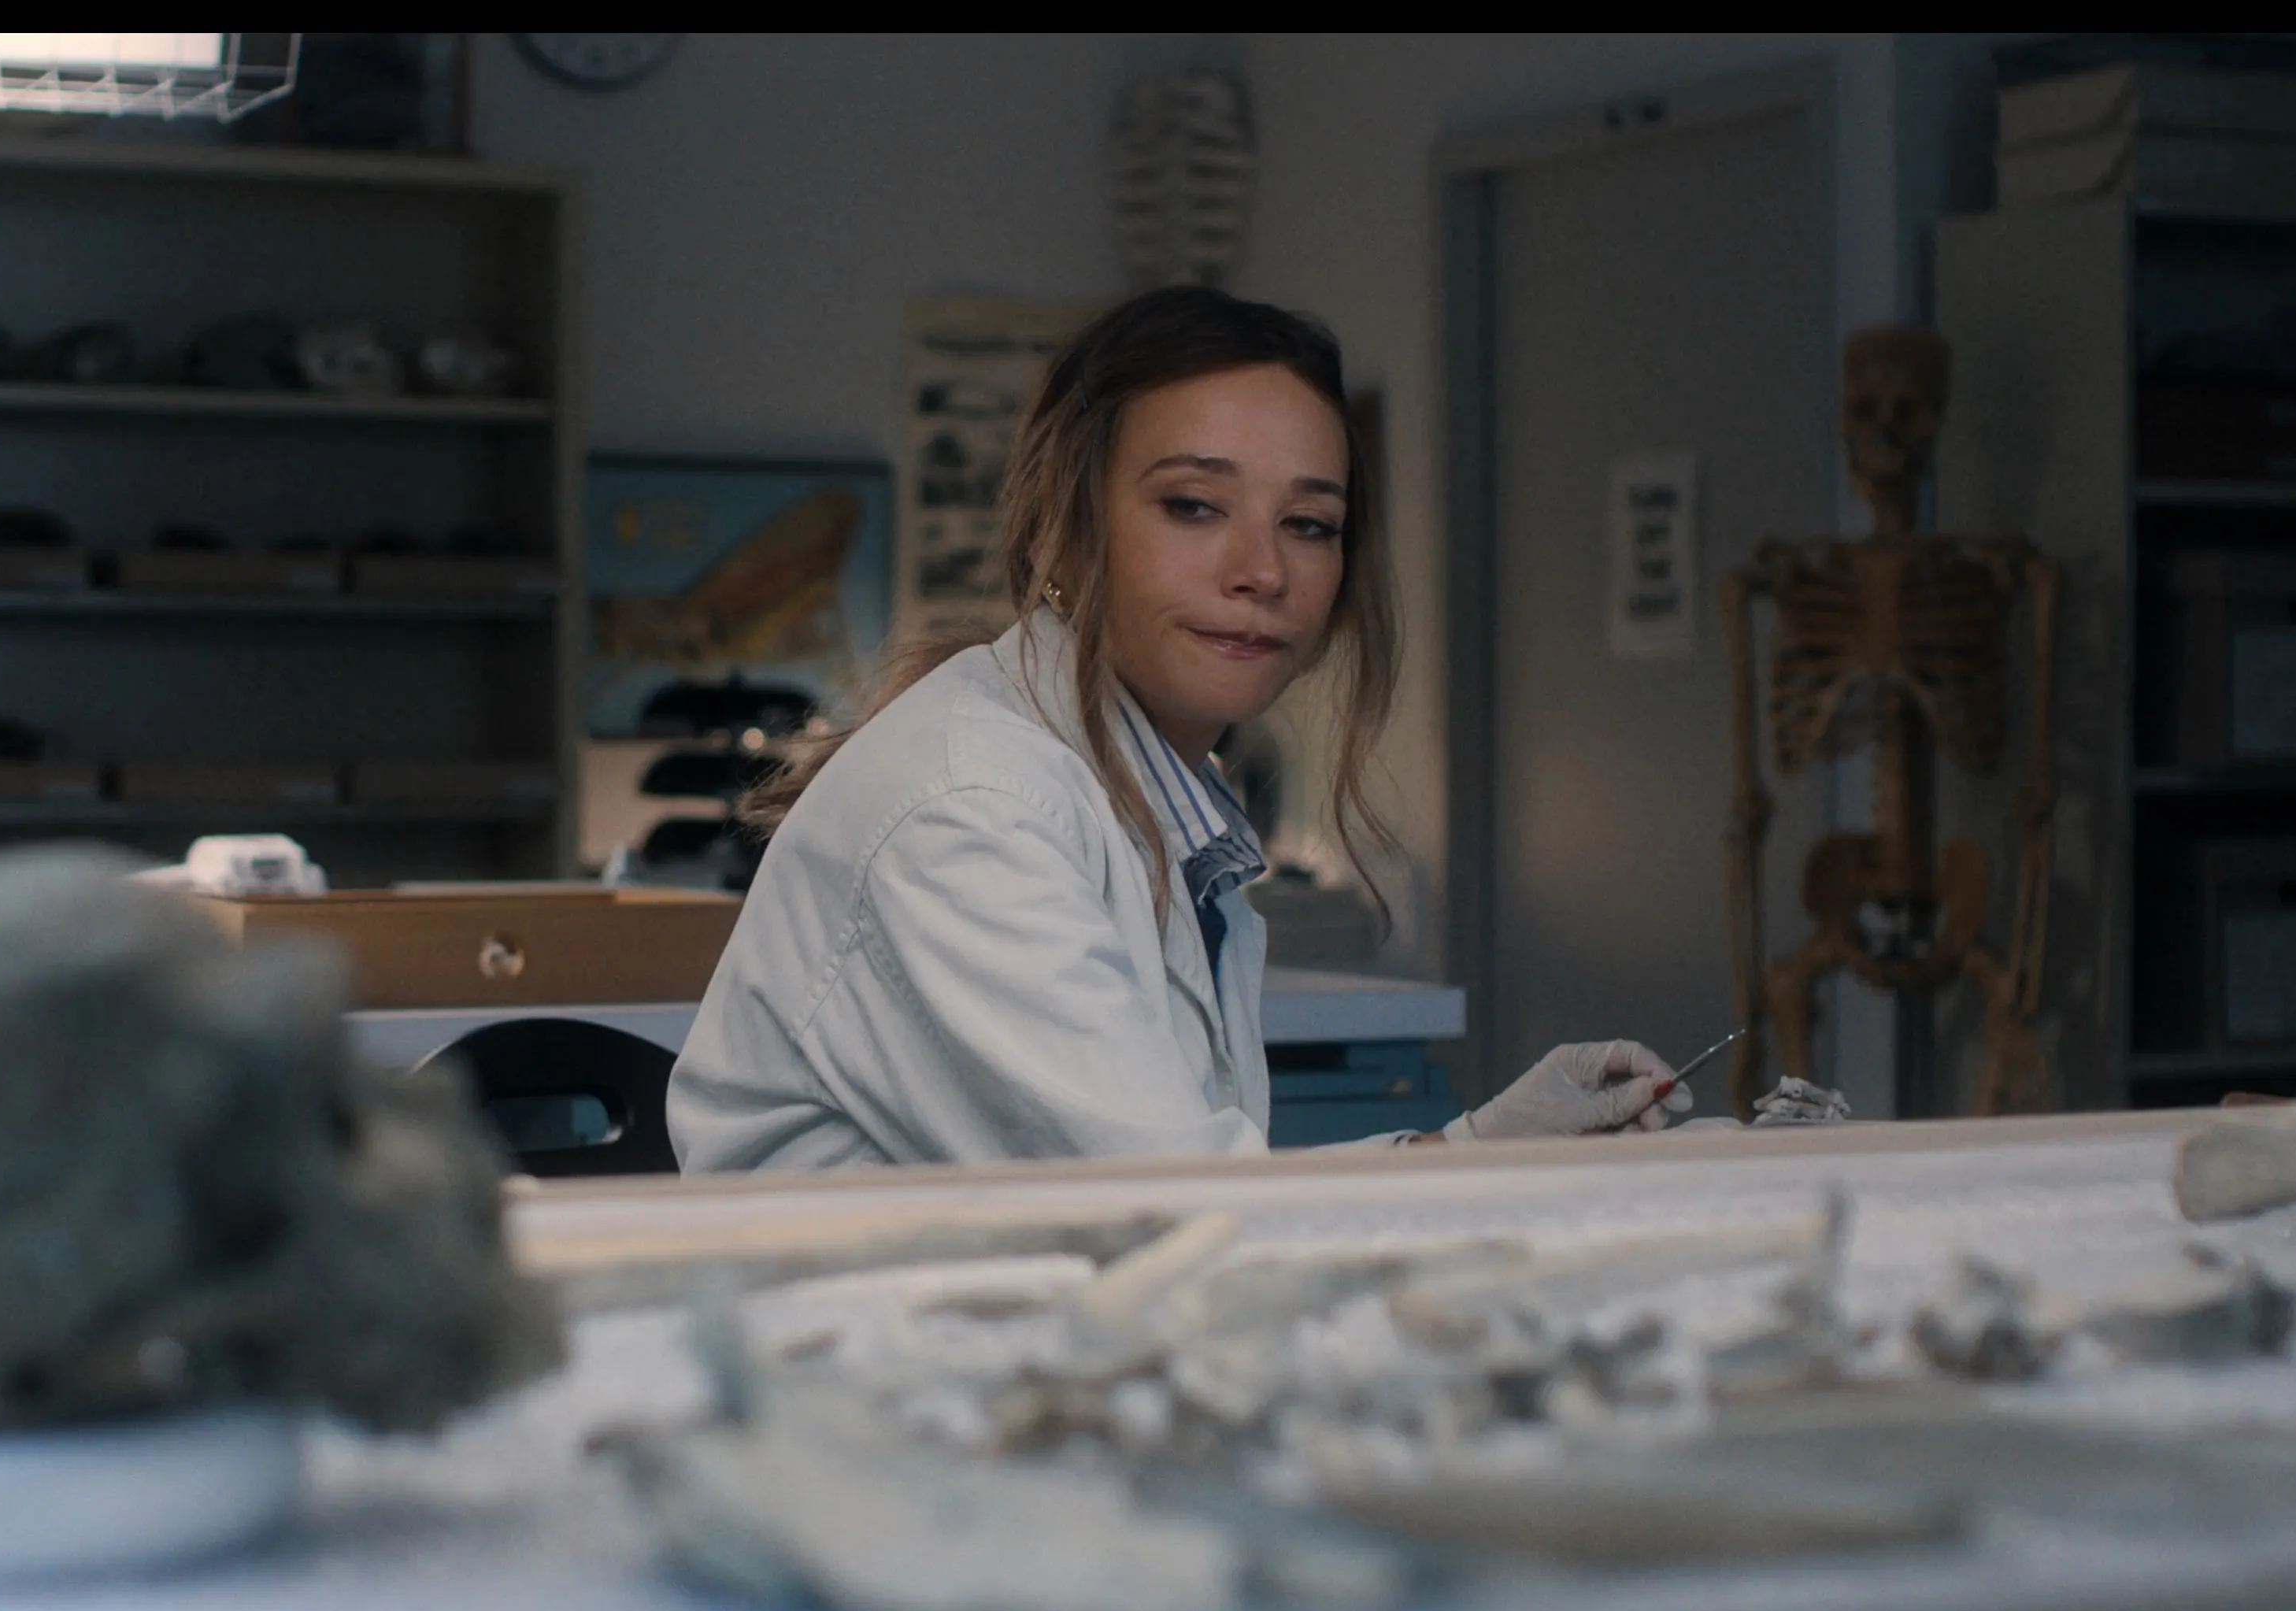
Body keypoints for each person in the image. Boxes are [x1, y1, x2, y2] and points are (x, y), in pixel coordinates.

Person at [668, 285, 1690, 1171]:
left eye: (1309, 524)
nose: (1264, 571)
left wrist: (1488, 1145)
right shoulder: (971, 814)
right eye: (1195, 505)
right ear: (1067, 522)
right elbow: (1188, 1214)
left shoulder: (1147, 793)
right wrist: (1471, 1160)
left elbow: (1195, 1190)